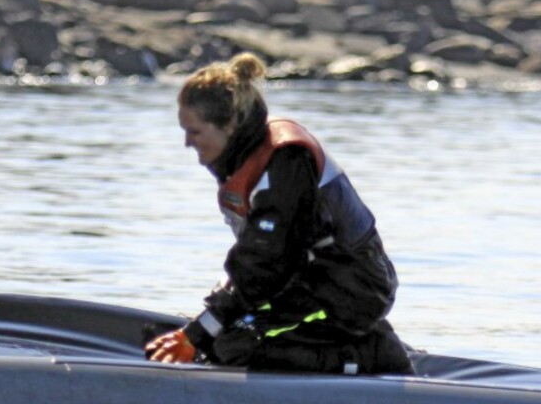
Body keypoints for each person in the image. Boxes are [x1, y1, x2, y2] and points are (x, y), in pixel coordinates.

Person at [145, 53, 413, 375]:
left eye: (195, 132)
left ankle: (371, 352)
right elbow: (255, 263)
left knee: (234, 349)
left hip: (351, 293)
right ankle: (344, 341)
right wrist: (209, 321)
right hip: (303, 286)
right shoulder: (246, 158)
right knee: (222, 338)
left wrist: (198, 332)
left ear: (229, 125)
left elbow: (265, 264)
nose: (187, 143)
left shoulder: (287, 161)